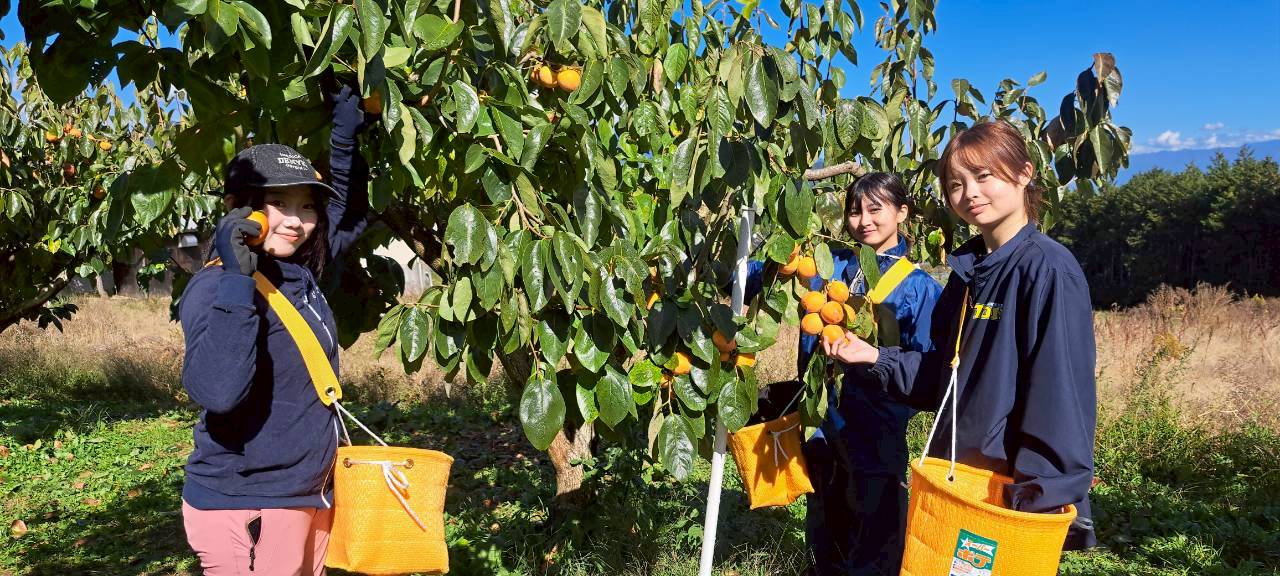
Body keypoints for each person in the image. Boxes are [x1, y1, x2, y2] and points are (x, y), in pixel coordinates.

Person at [824, 119, 1098, 551]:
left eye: (983, 175)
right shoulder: (969, 276)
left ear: (1024, 173)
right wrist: (875, 358)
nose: (969, 193)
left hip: (1009, 491)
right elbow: (944, 379)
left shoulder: (1046, 270)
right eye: (955, 184)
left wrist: (1039, 499)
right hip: (959, 476)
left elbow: (1060, 395)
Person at [178, 85, 370, 575]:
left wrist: (346, 138)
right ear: (243, 209)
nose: (297, 221)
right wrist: (239, 283)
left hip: (308, 489)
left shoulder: (298, 277)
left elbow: (344, 213)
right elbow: (218, 390)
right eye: (279, 203)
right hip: (248, 500)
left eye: (306, 206)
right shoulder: (216, 287)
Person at [745, 172, 942, 575]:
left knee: (876, 526)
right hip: (821, 417)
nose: (864, 220)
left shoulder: (918, 287)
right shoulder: (828, 263)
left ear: (902, 212)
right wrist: (741, 266)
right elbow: (763, 275)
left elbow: (927, 364)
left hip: (878, 426)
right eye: (855, 211)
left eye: (876, 209)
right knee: (825, 517)